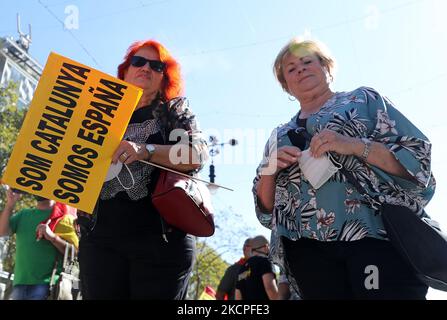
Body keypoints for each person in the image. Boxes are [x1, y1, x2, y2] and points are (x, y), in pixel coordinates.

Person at [253, 38, 436, 299]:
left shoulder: (364, 100)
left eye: (307, 61)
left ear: (327, 67)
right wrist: (269, 170)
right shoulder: (278, 135)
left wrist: (352, 145)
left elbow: (416, 158)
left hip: (374, 234)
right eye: (291, 68)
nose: (301, 69)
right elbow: (264, 209)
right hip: (306, 249)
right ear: (286, 85)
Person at [77, 39, 208, 300]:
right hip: (100, 242)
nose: (146, 68)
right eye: (138, 61)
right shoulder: (98, 113)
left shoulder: (174, 111)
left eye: (156, 65)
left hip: (160, 244)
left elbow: (197, 154)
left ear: (164, 77)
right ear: (125, 70)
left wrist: (144, 150)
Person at [0, 188, 78, 300]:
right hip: (19, 284)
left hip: (48, 285)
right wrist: (10, 204)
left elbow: (75, 253)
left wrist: (52, 238)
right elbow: (2, 231)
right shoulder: (23, 215)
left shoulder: (64, 218)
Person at [235, 235, 279, 300]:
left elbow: (238, 295)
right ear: (266, 247)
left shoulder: (243, 268)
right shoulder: (265, 262)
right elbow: (270, 288)